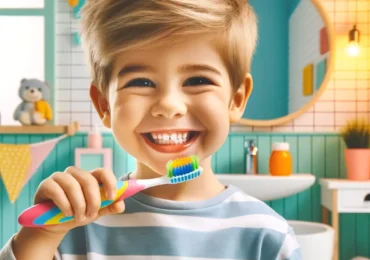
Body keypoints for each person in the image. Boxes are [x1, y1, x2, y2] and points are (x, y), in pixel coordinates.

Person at [0, 0, 301, 259]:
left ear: (236, 99)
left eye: (197, 80)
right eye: (141, 82)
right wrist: (39, 239)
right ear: (104, 105)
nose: (169, 105)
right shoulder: (75, 227)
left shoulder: (268, 236)